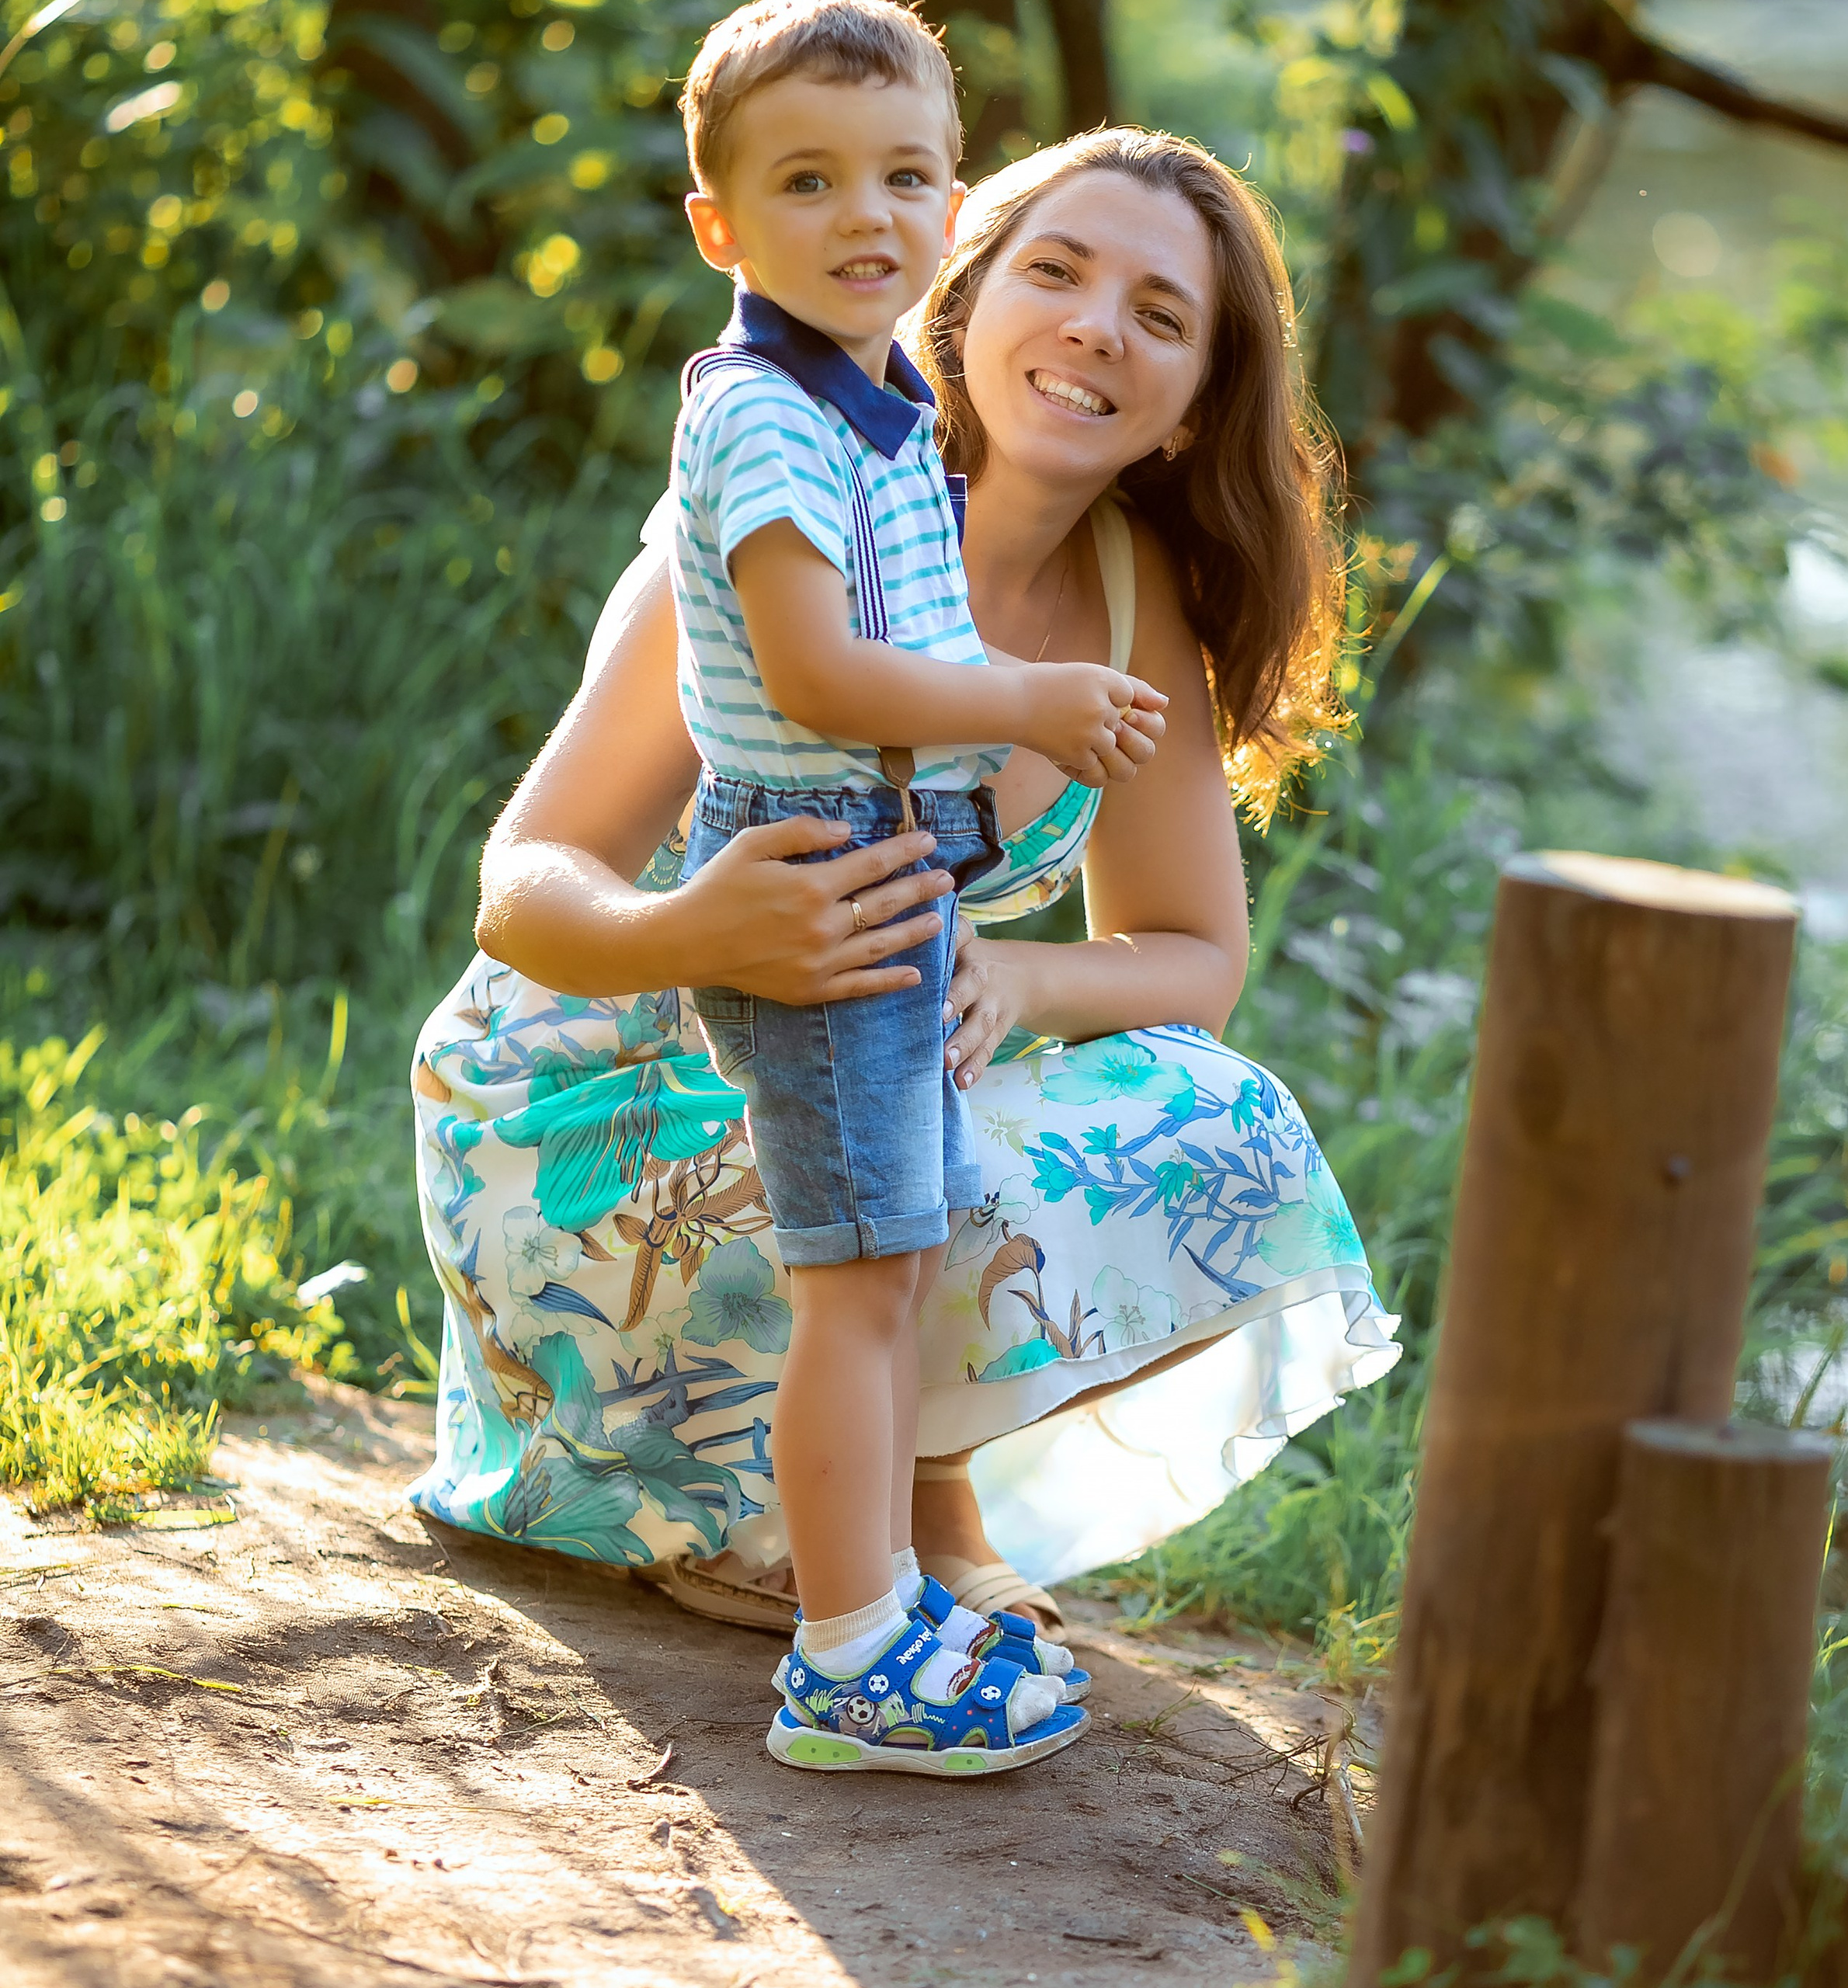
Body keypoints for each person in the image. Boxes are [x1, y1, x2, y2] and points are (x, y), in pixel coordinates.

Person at [407, 125, 1399, 1676]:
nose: (1094, 327)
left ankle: (891, 1509)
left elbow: (1196, 956)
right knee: (895, 1144)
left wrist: (1017, 980)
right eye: (1055, 272)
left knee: (1222, 1120)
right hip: (604, 1092)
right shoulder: (790, 511)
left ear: (1191, 401)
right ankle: (815, 1528)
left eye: (1158, 312)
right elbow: (521, 891)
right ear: (958, 289)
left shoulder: (1134, 606)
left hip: (858, 1088)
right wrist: (701, 929)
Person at [662, 0, 1158, 1774]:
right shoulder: (770, 418)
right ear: (719, 226)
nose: (865, 213)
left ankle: (876, 1593)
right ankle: (846, 1646)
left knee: (891, 1260)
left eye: (905, 173)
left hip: (893, 878)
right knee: (853, 1284)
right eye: (806, 180)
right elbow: (814, 672)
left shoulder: (866, 399)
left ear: (954, 198)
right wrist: (1020, 703)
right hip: (823, 876)